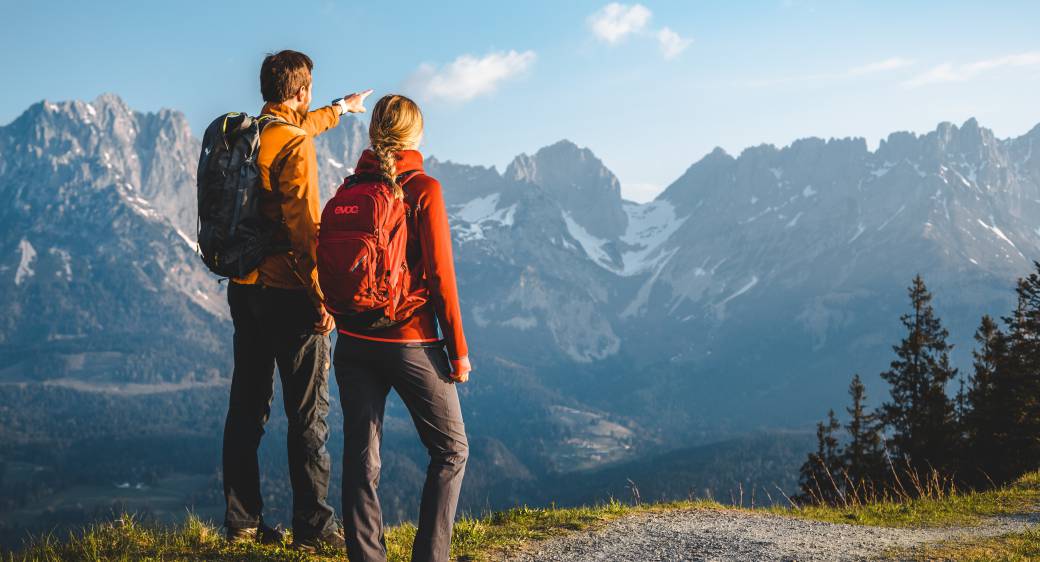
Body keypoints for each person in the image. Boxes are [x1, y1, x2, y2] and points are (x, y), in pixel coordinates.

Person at [221, 49, 372, 552]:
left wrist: (342, 108)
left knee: (247, 406)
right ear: (301, 91)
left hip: (244, 290)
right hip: (290, 293)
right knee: (308, 415)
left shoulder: (250, 135)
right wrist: (323, 299)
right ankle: (313, 527)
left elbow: (302, 124)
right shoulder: (296, 147)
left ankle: (242, 522)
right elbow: (306, 233)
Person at [334, 94, 473, 562]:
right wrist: (458, 350)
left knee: (360, 459)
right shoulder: (424, 189)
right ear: (415, 135)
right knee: (451, 451)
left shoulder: (350, 187)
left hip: (351, 342)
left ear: (374, 134)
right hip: (410, 342)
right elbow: (441, 278)